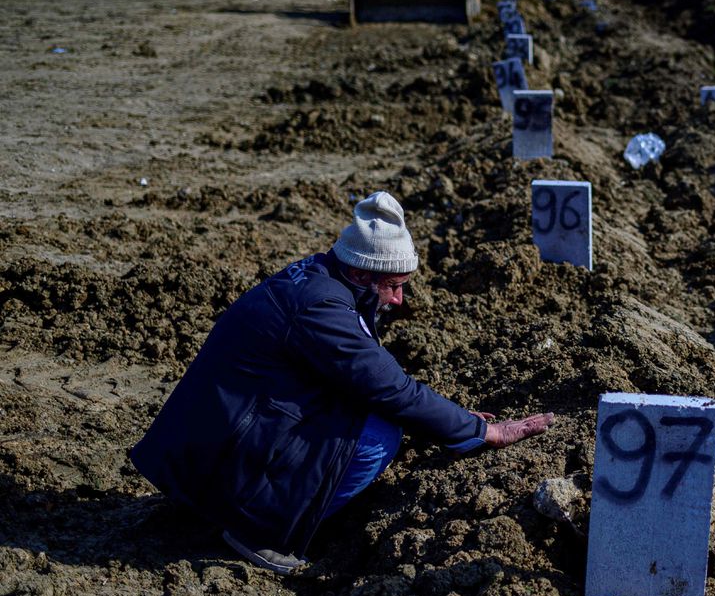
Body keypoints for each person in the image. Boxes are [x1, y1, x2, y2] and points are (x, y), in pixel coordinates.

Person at [130, 191, 554, 574]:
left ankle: (232, 504)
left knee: (371, 414)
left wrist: (454, 421)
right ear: (361, 274)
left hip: (212, 433)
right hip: (219, 443)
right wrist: (485, 431)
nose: (398, 300)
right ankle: (262, 530)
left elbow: (371, 377)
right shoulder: (321, 310)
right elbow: (389, 388)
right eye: (394, 287)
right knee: (378, 435)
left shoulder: (320, 277)